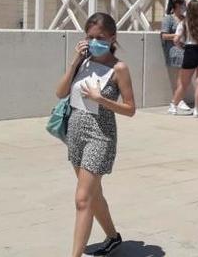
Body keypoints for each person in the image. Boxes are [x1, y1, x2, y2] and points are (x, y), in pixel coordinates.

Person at [54, 13, 136, 257]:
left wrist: (102, 100)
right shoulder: (84, 61)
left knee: (82, 199)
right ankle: (113, 237)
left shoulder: (119, 68)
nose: (94, 42)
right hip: (76, 131)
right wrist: (74, 62)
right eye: (90, 37)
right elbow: (60, 93)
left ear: (112, 37)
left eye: (100, 37)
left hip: (101, 135)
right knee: (93, 193)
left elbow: (131, 109)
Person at [169, 0, 198, 117]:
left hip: (190, 51)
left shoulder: (184, 23)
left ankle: (174, 105)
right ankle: (197, 109)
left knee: (184, 83)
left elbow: (176, 40)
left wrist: (182, 47)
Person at [161, 0, 190, 113]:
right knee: (182, 75)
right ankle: (179, 100)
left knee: (184, 75)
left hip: (186, 48)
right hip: (174, 49)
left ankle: (179, 99)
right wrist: (178, 35)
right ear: (177, 5)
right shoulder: (169, 19)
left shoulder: (185, 19)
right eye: (183, 4)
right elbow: (164, 35)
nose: (185, 7)